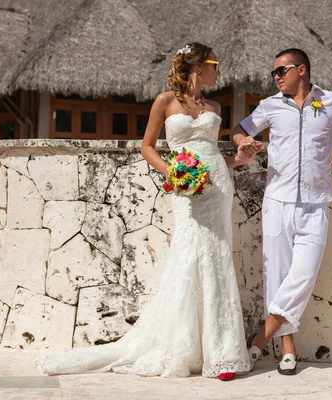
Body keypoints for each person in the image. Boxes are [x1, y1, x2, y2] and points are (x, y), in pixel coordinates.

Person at [35, 42, 261, 381]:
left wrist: (238, 160)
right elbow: (147, 146)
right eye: (215, 63)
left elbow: (213, 153)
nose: (219, 70)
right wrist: (172, 173)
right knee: (189, 257)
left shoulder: (214, 104)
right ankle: (182, 348)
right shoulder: (165, 101)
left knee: (217, 258)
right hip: (186, 189)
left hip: (218, 188)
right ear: (199, 65)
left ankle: (223, 353)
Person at [230, 48, 332, 375]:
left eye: (281, 71)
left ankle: (260, 338)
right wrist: (242, 144)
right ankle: (287, 349)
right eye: (274, 73)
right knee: (277, 276)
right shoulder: (271, 106)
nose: (276, 77)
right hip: (277, 202)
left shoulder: (331, 101)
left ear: (301, 70)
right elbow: (240, 129)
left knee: (303, 275)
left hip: (315, 202)